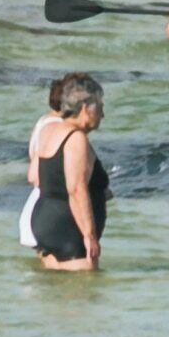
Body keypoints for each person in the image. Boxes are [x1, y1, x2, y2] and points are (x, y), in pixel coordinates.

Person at [30, 72, 109, 270]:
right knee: (84, 293)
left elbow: (34, 175)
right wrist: (89, 236)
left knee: (56, 295)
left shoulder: (49, 130)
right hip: (67, 227)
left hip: (45, 219)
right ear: (85, 109)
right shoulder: (76, 139)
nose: (103, 114)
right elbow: (76, 189)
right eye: (100, 107)